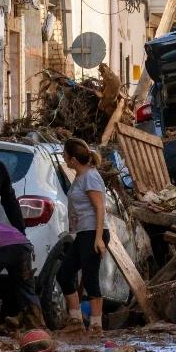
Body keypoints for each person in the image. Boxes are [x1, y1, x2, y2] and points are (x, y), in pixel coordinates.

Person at [56, 138, 108, 335]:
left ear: (73, 159)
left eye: (65, 155)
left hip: (93, 232)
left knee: (90, 276)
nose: (63, 157)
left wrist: (99, 237)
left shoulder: (90, 177)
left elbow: (100, 207)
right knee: (64, 274)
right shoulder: (80, 176)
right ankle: (76, 319)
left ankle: (96, 325)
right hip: (83, 233)